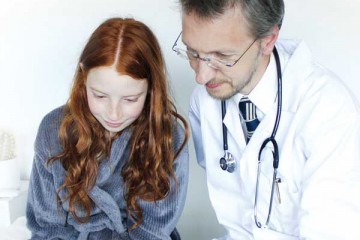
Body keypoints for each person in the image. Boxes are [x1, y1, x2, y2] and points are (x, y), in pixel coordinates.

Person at [172, 0, 360, 239]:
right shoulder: (205, 100)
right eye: (193, 52)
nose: (201, 75)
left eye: (222, 56)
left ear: (268, 40)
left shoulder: (329, 111)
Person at [26, 17, 189, 240]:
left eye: (130, 99)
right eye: (100, 96)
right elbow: (47, 228)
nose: (114, 114)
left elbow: (151, 232)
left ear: (151, 89)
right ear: (84, 79)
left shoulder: (168, 136)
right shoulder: (53, 130)